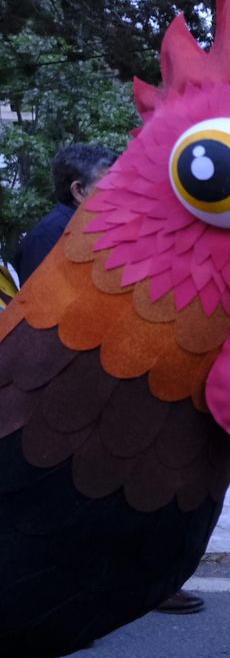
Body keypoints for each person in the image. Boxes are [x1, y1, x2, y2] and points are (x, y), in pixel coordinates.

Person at [9, 143, 205, 616]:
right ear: (79, 191)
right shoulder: (53, 239)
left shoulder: (90, 230)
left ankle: (135, 584)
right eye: (111, 181)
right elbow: (41, 333)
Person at [11, 143, 116, 286]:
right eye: (110, 184)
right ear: (79, 191)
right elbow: (43, 302)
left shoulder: (100, 227)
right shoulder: (46, 238)